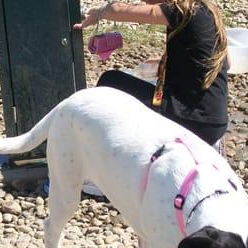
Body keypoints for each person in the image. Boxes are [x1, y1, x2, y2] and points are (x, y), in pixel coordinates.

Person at [74, 0, 229, 149]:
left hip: (192, 121)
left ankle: (111, 148)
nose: (146, 3)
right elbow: (223, 62)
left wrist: (99, 13)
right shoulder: (207, 13)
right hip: (215, 123)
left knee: (110, 81)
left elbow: (117, 10)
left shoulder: (183, 11)